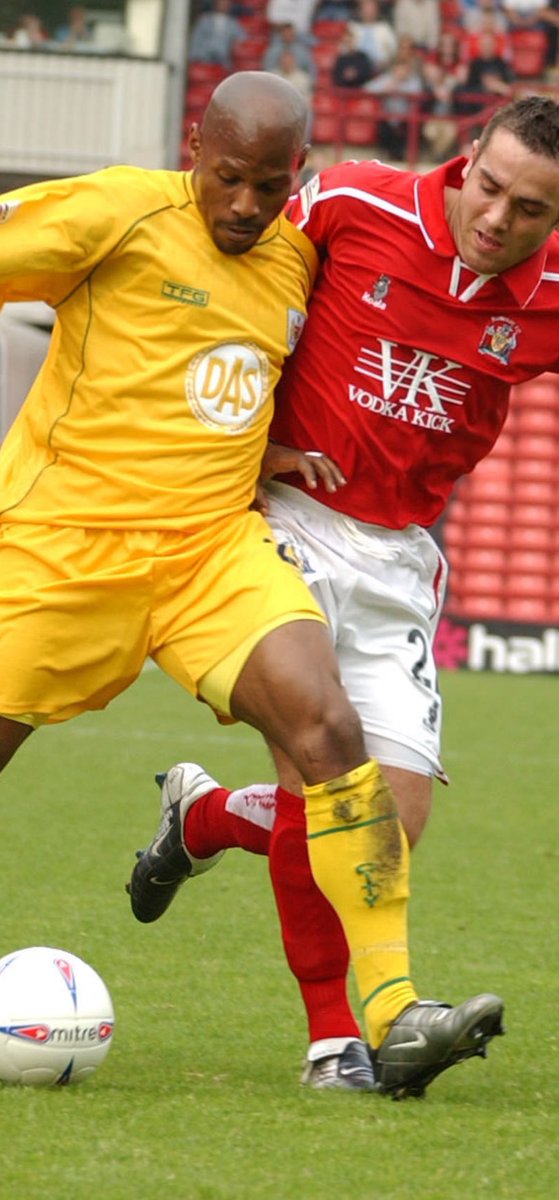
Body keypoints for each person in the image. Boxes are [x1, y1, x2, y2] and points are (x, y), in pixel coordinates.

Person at [0, 72, 499, 1102]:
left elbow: (271, 373)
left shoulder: (295, 260)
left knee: (328, 730)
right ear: (193, 153)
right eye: (226, 179)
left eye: (268, 185)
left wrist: (265, 450)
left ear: (294, 176)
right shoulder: (121, 211)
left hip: (206, 555)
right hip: (62, 556)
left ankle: (393, 1011)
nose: (243, 206)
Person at [130, 93, 559, 1093]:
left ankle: (199, 820)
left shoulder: (544, 297)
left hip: (397, 557)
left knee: (387, 825)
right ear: (464, 161)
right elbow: (230, 280)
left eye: (530, 208)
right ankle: (340, 1042)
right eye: (489, 189)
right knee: (324, 774)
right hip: (281, 525)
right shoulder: (352, 204)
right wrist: (248, 434)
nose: (497, 219)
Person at [187, 0, 246, 68]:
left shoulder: (233, 23)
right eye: (221, 2)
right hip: (204, 58)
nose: (223, 5)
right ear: (216, 3)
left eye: (226, 3)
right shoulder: (204, 19)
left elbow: (242, 38)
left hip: (223, 61)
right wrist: (193, 58)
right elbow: (196, 39)